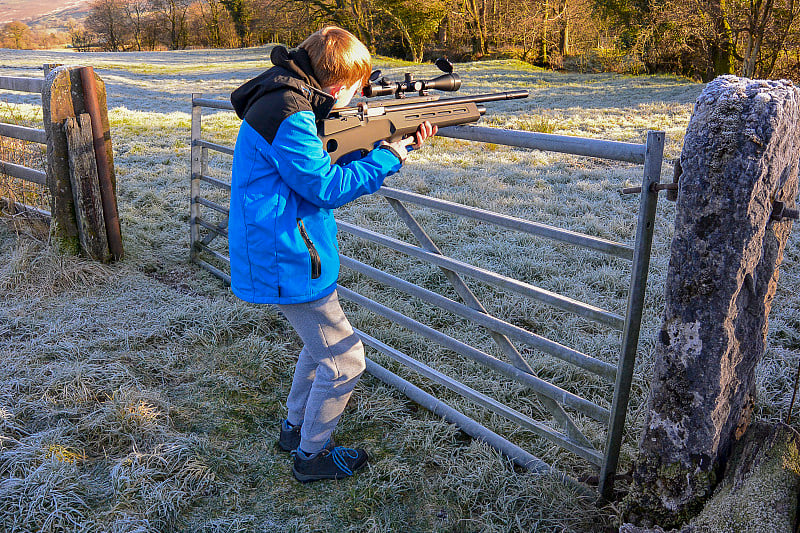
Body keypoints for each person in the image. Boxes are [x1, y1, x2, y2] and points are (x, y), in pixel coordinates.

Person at [227, 26, 437, 482]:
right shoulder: (292, 115)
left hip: (288, 249)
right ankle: (311, 456)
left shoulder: (286, 98)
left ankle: (294, 427)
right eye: (356, 87)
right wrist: (390, 157)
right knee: (345, 360)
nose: (359, 94)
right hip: (288, 256)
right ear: (339, 85)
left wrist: (376, 139)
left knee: (318, 345)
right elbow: (324, 186)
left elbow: (312, 166)